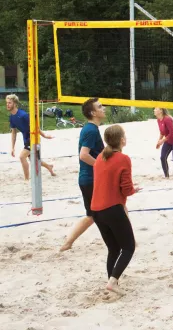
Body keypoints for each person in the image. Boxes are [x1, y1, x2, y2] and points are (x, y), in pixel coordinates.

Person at [91, 124, 141, 294]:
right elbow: (126, 189)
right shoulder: (123, 158)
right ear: (121, 140)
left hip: (96, 210)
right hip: (112, 208)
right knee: (128, 247)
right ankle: (113, 282)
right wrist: (134, 189)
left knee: (113, 248)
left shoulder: (99, 157)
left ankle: (112, 283)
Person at [60, 97, 106, 252]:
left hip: (90, 179)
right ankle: (127, 241)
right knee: (99, 213)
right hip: (91, 179)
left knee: (95, 214)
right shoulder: (91, 130)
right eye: (100, 106)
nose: (103, 108)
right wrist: (102, 166)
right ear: (93, 112)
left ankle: (68, 243)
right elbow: (83, 155)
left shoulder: (91, 129)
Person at [6, 94, 56, 179]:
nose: (7, 104)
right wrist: (12, 147)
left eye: (9, 103)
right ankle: (49, 167)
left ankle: (26, 179)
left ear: (15, 104)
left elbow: (35, 126)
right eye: (7, 103)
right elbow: (14, 133)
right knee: (34, 160)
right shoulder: (11, 117)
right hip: (26, 138)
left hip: (33, 137)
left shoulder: (23, 115)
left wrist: (44, 135)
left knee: (22, 157)